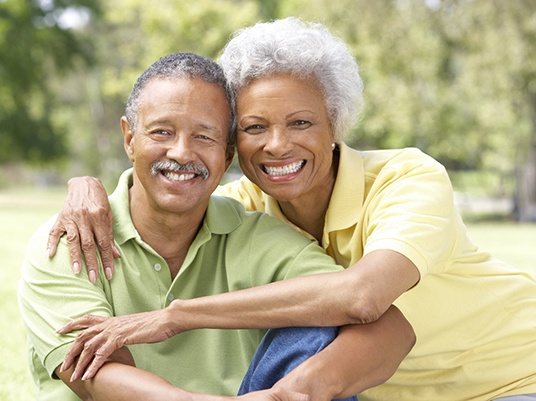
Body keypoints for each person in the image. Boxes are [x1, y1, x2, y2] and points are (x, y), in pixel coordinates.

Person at [48, 17, 536, 401]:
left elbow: (362, 297)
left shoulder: (407, 178)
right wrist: (85, 188)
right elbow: (167, 188)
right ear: (234, 141)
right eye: (255, 127)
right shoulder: (246, 207)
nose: (277, 146)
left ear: (335, 123)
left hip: (511, 381)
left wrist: (176, 316)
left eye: (300, 122)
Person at [19, 51, 414, 401]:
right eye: (162, 132)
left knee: (315, 334)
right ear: (129, 138)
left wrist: (288, 395)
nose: (181, 152)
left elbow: (392, 330)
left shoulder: (259, 238)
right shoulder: (70, 240)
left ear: (226, 157)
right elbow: (94, 380)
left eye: (203, 136)